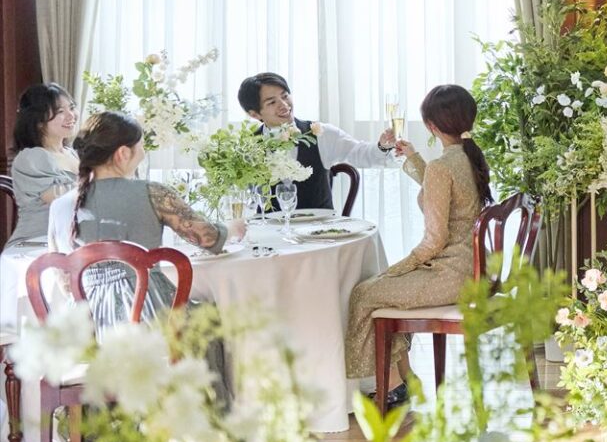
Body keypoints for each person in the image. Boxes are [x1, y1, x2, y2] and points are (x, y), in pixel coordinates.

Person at [344, 85, 491, 407]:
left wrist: (399, 268)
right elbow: (446, 192)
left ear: (431, 125)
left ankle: (393, 386)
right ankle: (403, 380)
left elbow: (434, 240)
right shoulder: (470, 157)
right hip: (473, 270)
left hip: (451, 276)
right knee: (384, 290)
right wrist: (413, 157)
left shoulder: (443, 166)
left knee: (365, 294)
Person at [48, 110, 245, 325]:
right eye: (141, 146)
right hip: (151, 319)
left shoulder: (58, 207)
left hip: (85, 327)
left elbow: (64, 282)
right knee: (221, 315)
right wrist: (231, 228)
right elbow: (207, 238)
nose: (143, 153)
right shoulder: (153, 193)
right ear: (123, 153)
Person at [239, 72, 399, 212]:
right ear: (254, 114)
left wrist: (382, 146)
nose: (284, 105)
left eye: (285, 96)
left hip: (320, 230)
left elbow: (358, 153)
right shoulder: (246, 148)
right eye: (272, 102)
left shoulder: (320, 133)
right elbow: (241, 197)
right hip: (269, 233)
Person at [6, 83, 80, 247]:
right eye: (60, 111)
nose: (71, 115)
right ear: (38, 121)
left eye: (71, 107)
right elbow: (62, 199)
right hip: (36, 243)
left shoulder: (72, 153)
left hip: (68, 242)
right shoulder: (32, 158)